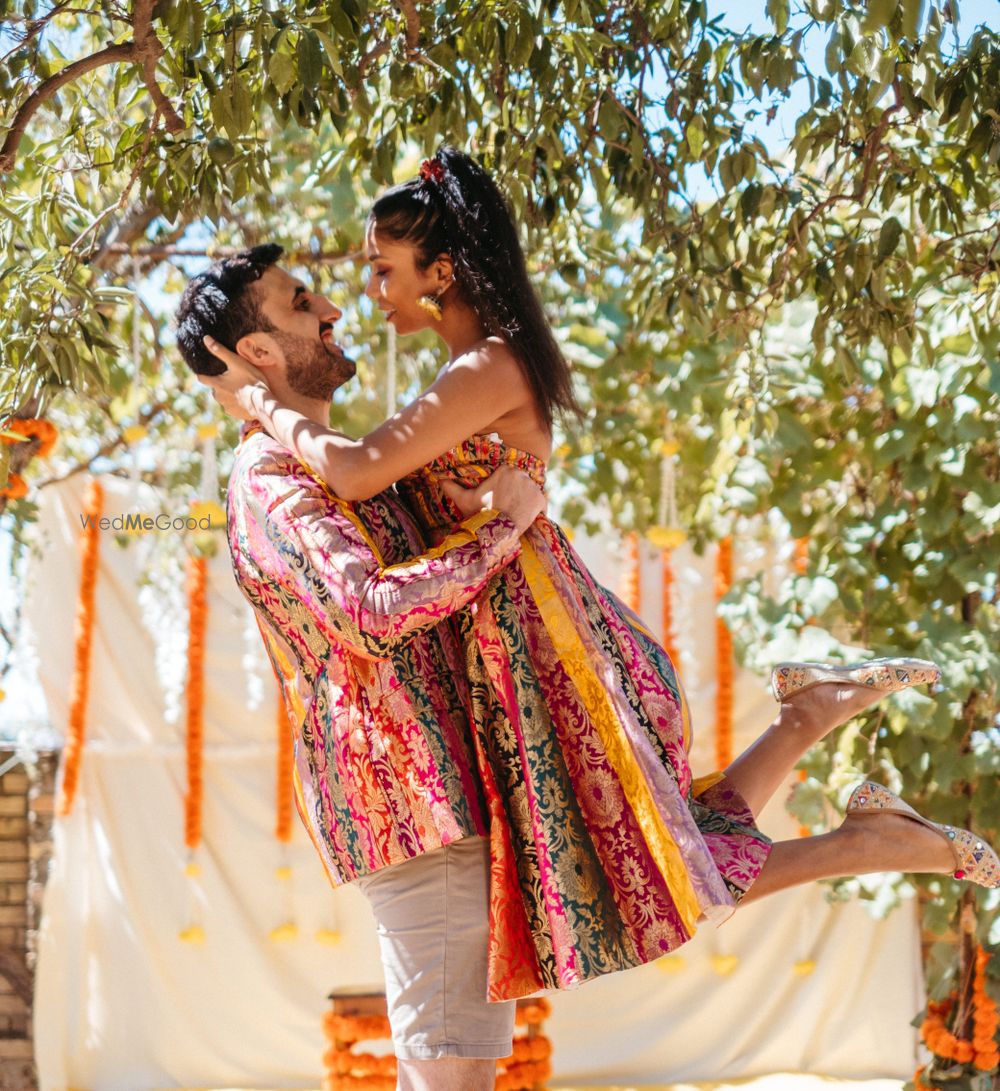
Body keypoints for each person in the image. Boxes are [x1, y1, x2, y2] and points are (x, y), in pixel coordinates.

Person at [199, 145, 1000, 1053]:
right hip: (517, 645)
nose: (367, 295)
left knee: (649, 869)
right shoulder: (469, 373)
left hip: (543, 643)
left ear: (443, 270)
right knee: (649, 861)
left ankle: (857, 809)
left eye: (384, 269)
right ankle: (816, 738)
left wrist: (253, 402)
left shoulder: (487, 369)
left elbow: (349, 468)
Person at [175, 245, 551, 1091]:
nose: (334, 310)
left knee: (461, 1070)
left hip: (442, 799)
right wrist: (505, 527)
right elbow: (371, 612)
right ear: (263, 354)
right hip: (412, 802)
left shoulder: (327, 459)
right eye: (302, 302)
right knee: (446, 1074)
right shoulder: (269, 476)